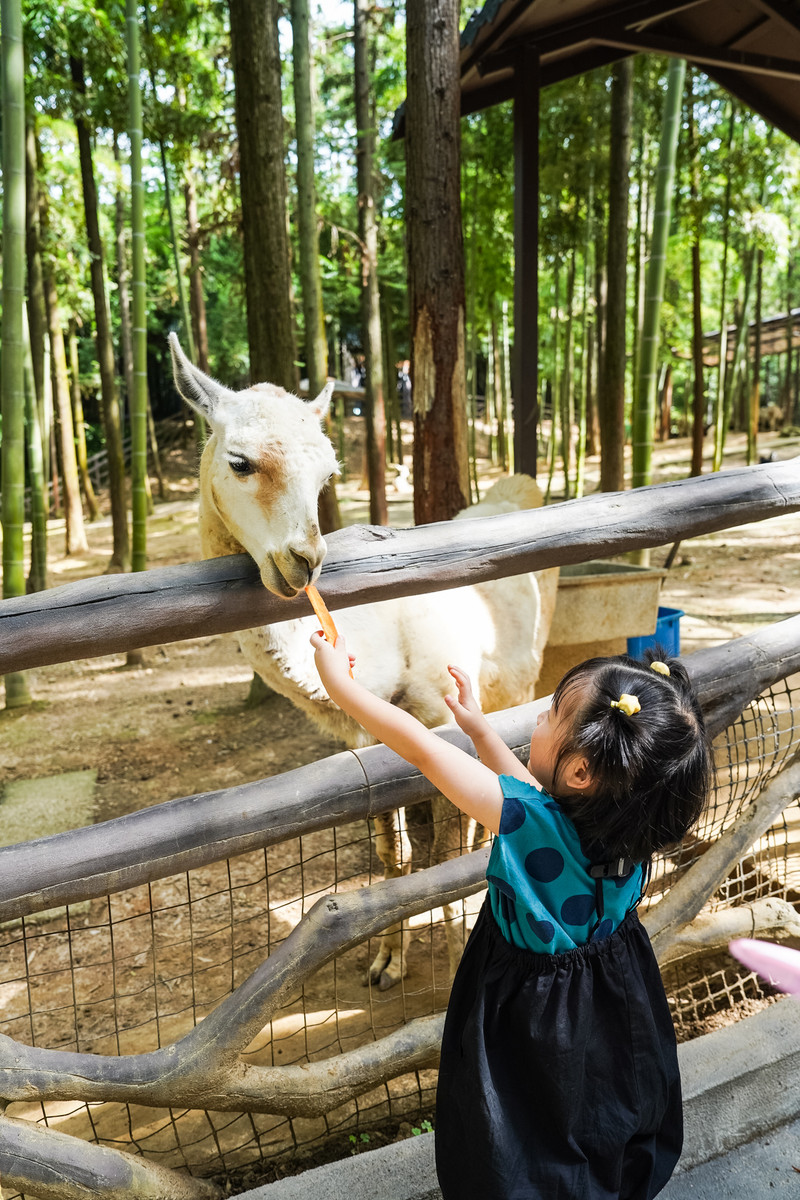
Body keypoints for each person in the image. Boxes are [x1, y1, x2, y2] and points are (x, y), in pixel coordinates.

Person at [311, 632, 713, 1200]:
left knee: (524, 1127)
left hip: (533, 1009)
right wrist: (479, 728)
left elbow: (425, 750)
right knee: (597, 1105)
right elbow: (528, 791)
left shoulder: (528, 821)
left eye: (552, 713)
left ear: (578, 773)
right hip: (614, 986)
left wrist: (342, 688)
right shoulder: (625, 816)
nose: (542, 720)